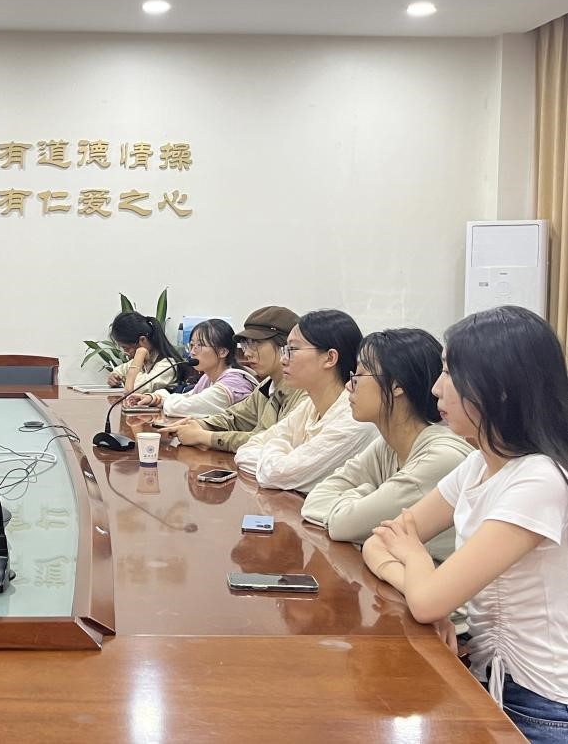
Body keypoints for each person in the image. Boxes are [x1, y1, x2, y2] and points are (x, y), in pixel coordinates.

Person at [363, 306, 568, 741]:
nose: (436, 388)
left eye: (451, 373)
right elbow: (377, 543)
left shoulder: (539, 479)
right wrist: (421, 587)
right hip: (491, 680)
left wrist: (421, 572)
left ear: (501, 387)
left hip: (541, 706)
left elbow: (428, 599)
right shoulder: (478, 464)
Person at [302, 328, 472, 562]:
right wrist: (365, 495)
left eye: (359, 375)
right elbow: (315, 499)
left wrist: (360, 495)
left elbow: (343, 526)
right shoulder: (387, 445)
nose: (349, 386)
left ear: (397, 385)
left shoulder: (440, 458)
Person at [234, 309, 378, 493]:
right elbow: (246, 450)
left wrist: (278, 448)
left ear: (330, 358)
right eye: (285, 350)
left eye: (292, 350)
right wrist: (284, 457)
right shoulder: (310, 406)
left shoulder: (354, 420)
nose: (283, 360)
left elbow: (278, 476)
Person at [165, 306, 307, 452]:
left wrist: (206, 437)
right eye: (245, 345)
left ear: (285, 345)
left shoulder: (304, 392)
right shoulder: (267, 385)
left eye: (255, 344)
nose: (247, 353)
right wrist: (201, 425)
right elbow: (235, 418)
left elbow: (271, 440)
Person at [126, 319, 256, 416]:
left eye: (199, 346)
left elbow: (186, 406)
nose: (192, 352)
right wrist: (154, 398)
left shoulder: (233, 384)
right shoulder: (208, 378)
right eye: (192, 345)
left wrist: (160, 400)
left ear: (222, 352)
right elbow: (187, 397)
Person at [105, 312, 183, 394]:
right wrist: (113, 376)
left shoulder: (167, 364)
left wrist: (140, 353)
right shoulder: (144, 360)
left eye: (126, 348)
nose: (125, 352)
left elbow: (134, 388)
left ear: (142, 340)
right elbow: (120, 370)